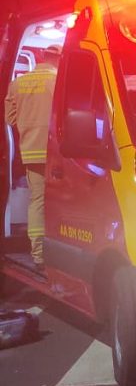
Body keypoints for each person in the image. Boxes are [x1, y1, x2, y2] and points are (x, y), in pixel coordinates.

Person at [4, 44, 60, 267]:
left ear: (42, 57)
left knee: (36, 201)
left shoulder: (18, 83)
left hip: (31, 152)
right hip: (57, 154)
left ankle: (38, 254)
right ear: (58, 60)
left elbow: (10, 119)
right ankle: (57, 253)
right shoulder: (58, 81)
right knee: (59, 203)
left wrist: (29, 129)